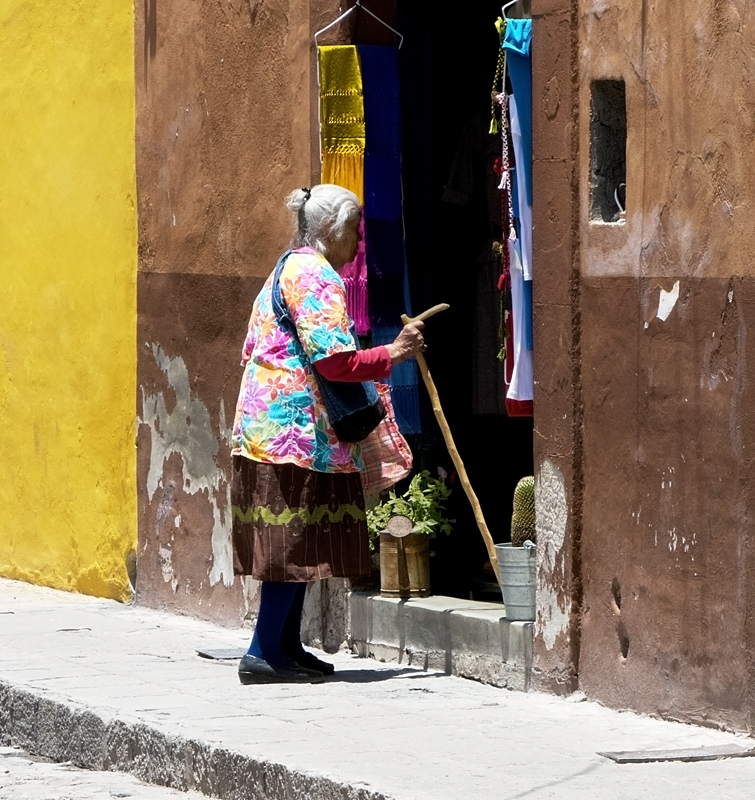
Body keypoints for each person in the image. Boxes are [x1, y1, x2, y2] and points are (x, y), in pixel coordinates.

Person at [231, 184, 426, 684]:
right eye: (355, 230)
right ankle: (261, 651)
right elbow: (336, 362)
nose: (359, 242)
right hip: (295, 433)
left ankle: (284, 648)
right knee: (292, 540)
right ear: (331, 230)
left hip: (276, 428)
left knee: (300, 540)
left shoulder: (287, 267)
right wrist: (395, 352)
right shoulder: (315, 275)